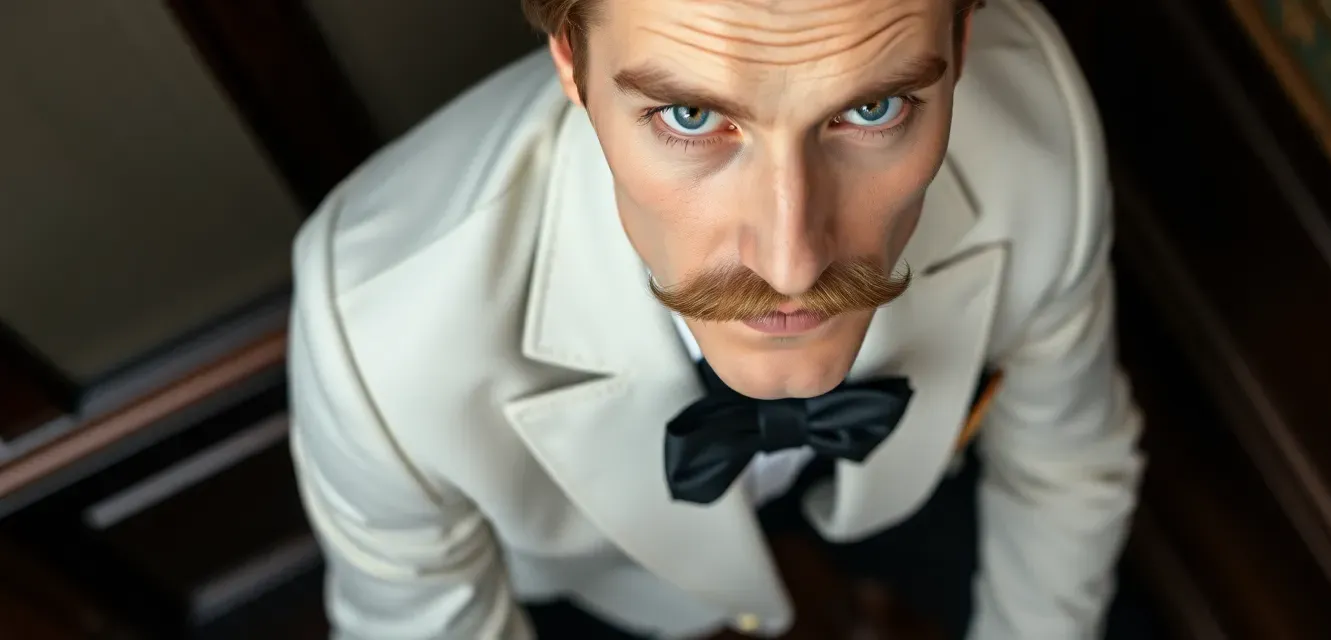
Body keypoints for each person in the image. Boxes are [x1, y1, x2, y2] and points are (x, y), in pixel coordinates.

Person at [287, 0, 1145, 637]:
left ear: (959, 49)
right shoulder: (376, 331)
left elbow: (1068, 468)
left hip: (905, 493)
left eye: (873, 109)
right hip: (601, 583)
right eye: (691, 117)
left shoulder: (1041, 123)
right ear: (570, 65)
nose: (791, 265)